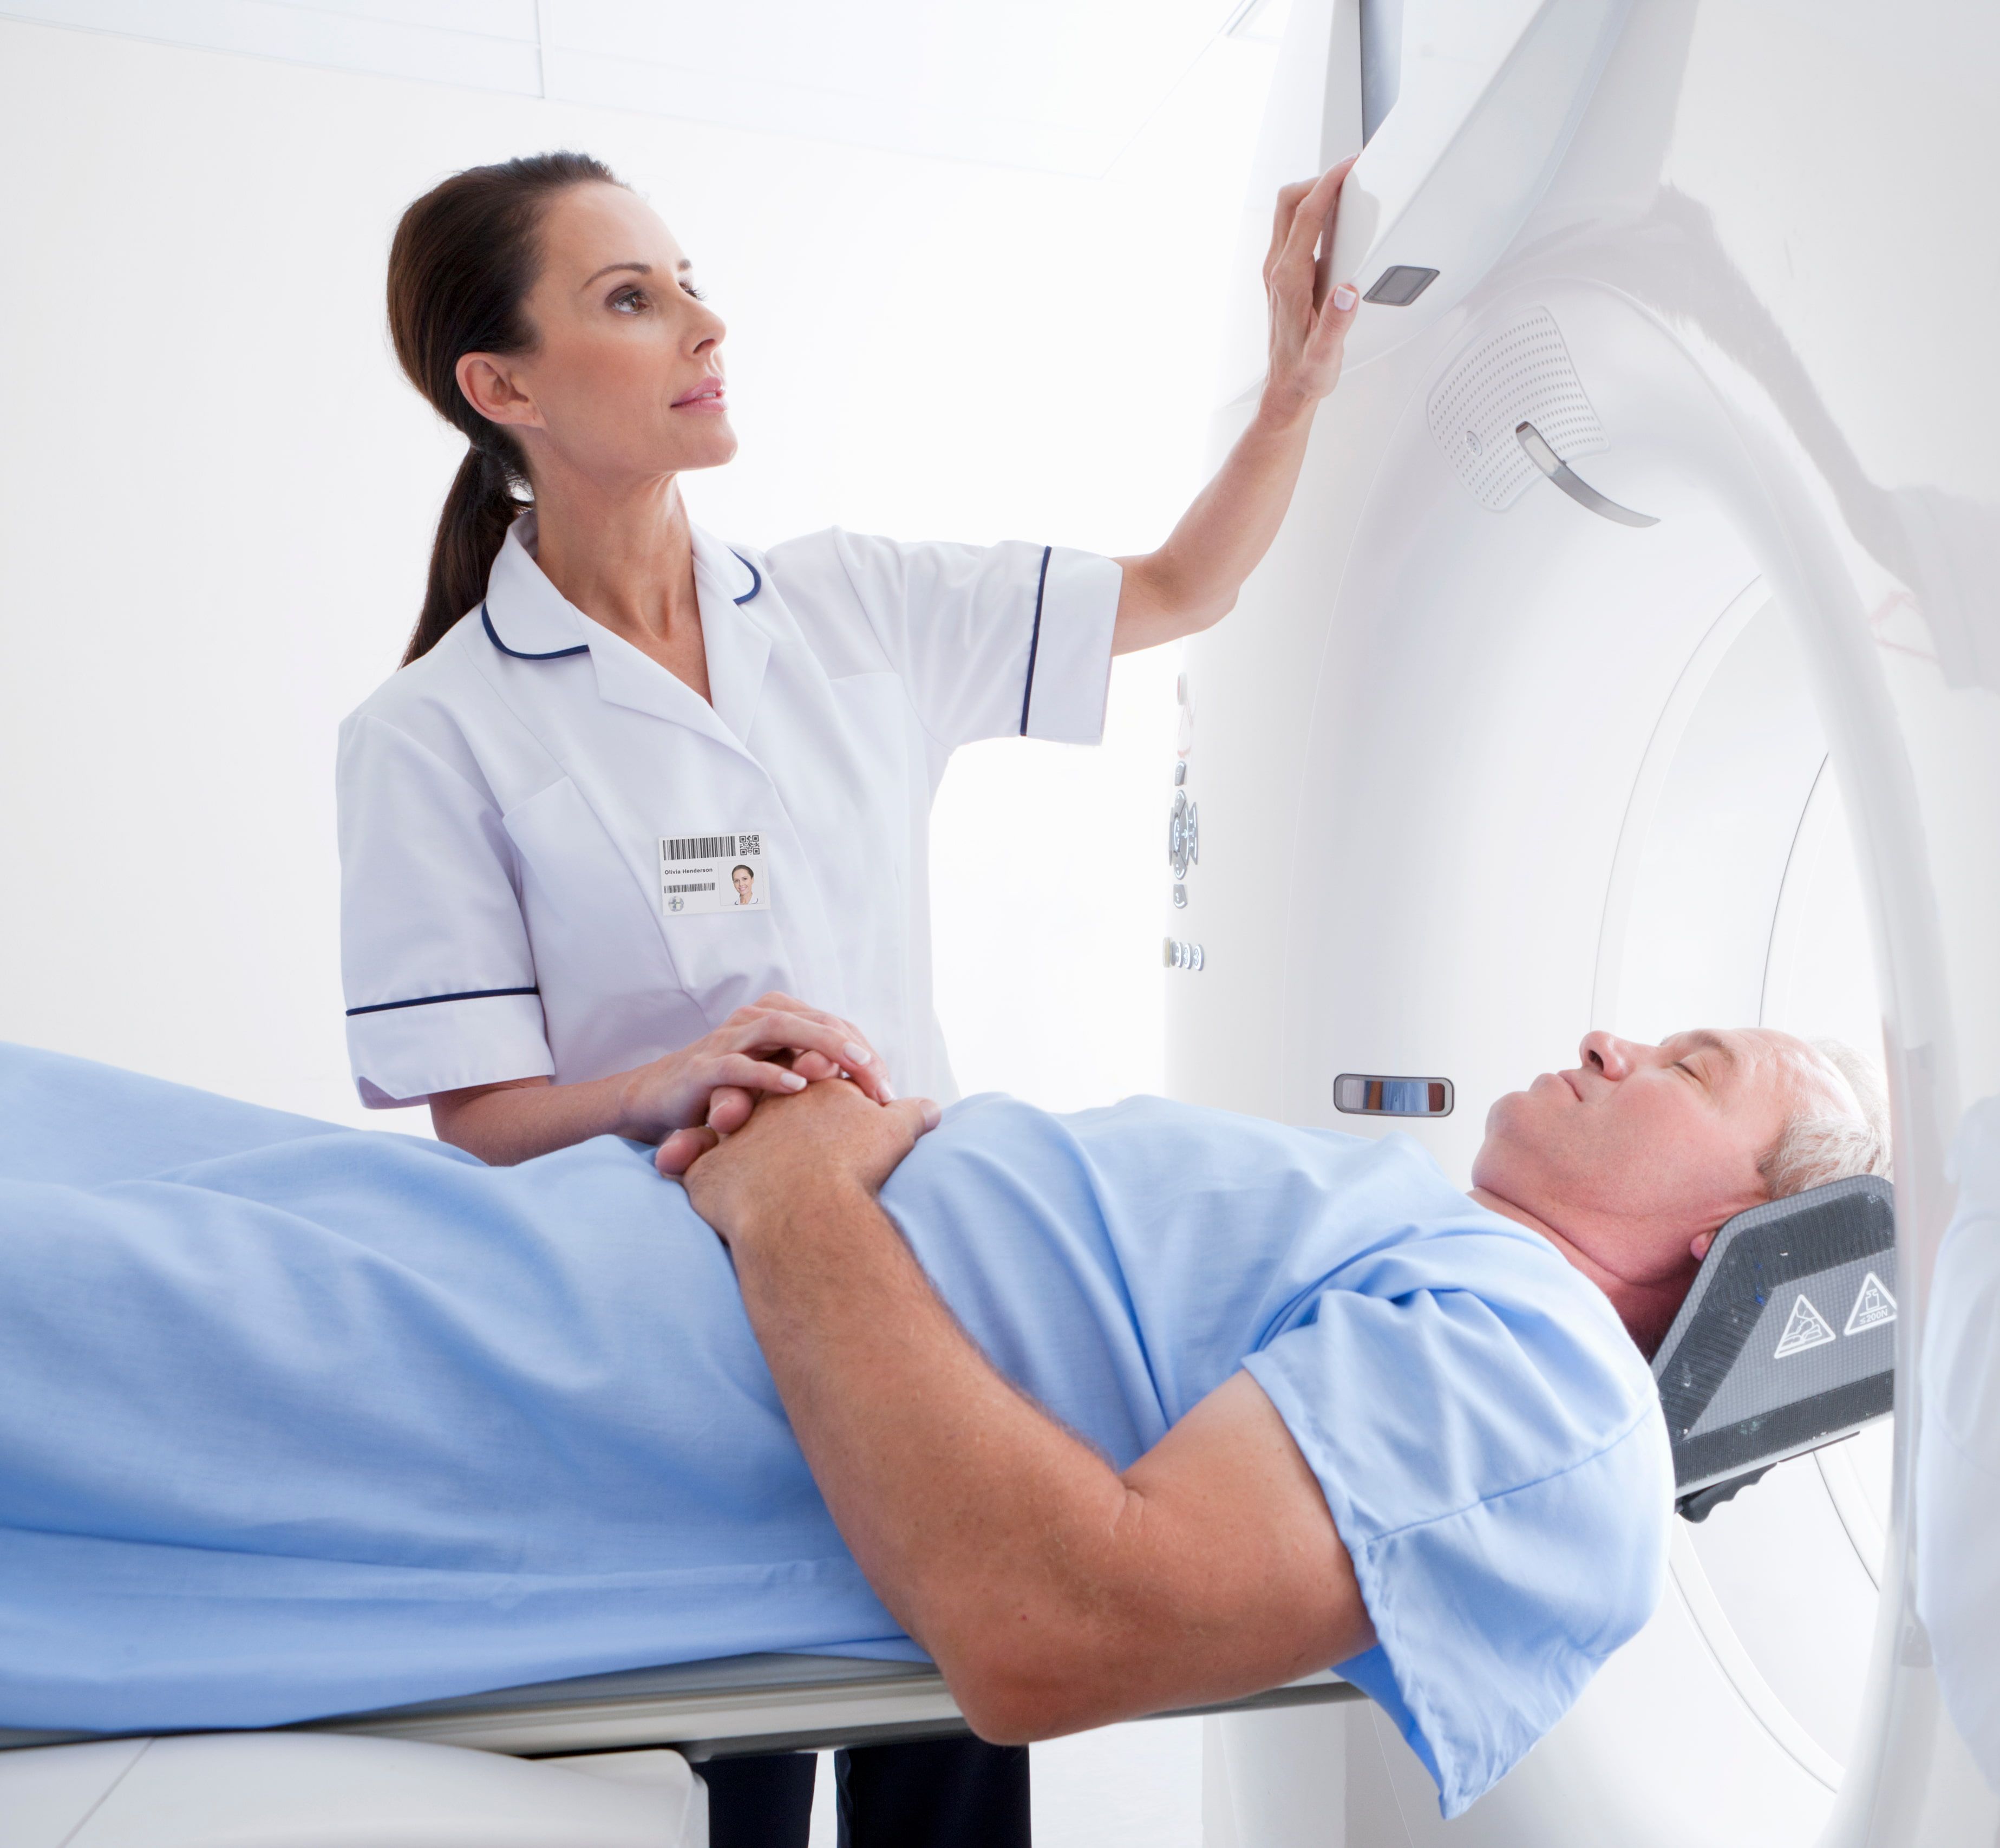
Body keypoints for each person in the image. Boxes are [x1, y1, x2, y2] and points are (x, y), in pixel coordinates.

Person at [336, 148, 1360, 1839]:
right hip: (660, 1341)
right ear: (500, 386)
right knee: (717, 1792)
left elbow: (1185, 586)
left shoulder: (850, 605)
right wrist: (673, 1077)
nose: (702, 321)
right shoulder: (434, 732)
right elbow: (480, 1117)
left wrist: (1293, 379)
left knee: (949, 1765)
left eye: (685, 278)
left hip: (936, 1309)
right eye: (631, 298)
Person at [0, 1026, 1885, 1820]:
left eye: (1690, 1063)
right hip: (568, 1258)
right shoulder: (1449, 1253)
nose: (1621, 1039)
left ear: (1738, 1234)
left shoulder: (1553, 1397)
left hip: (565, 1370)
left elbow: (1058, 1622)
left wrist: (804, 1195)